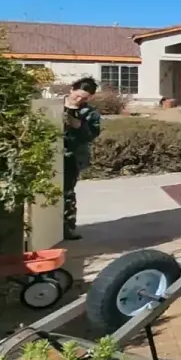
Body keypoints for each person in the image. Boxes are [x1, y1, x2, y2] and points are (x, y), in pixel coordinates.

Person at [61, 77, 104, 239]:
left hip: (71, 157)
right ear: (71, 89)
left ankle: (67, 227)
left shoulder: (90, 112)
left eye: (84, 98)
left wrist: (79, 125)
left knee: (67, 192)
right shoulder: (52, 105)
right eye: (77, 96)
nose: (79, 100)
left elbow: (92, 135)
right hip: (49, 156)